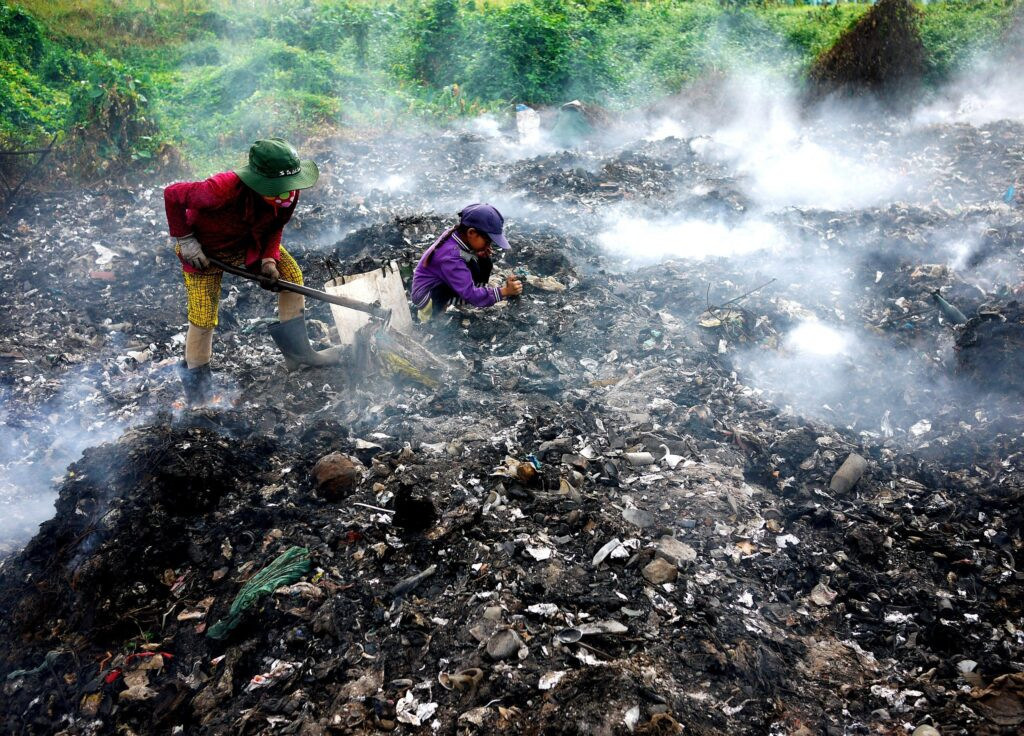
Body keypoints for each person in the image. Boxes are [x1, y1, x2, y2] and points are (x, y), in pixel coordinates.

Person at [164, 137, 341, 406]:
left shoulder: (288, 192)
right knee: (202, 316)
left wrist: (269, 260)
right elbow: (172, 194)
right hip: (205, 253)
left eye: (289, 189)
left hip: (251, 245)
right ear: (258, 181)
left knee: (291, 277)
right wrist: (185, 238)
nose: (286, 196)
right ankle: (199, 399)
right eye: (276, 190)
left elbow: (275, 227)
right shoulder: (219, 189)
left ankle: (301, 355)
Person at [410, 203, 523, 322]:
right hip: (428, 298)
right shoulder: (450, 258)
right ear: (471, 233)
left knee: (484, 262)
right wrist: (504, 291)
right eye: (487, 241)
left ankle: (478, 295)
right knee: (472, 281)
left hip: (438, 284)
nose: (489, 246)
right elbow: (470, 293)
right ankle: (431, 318)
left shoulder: (457, 234)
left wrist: (479, 255)